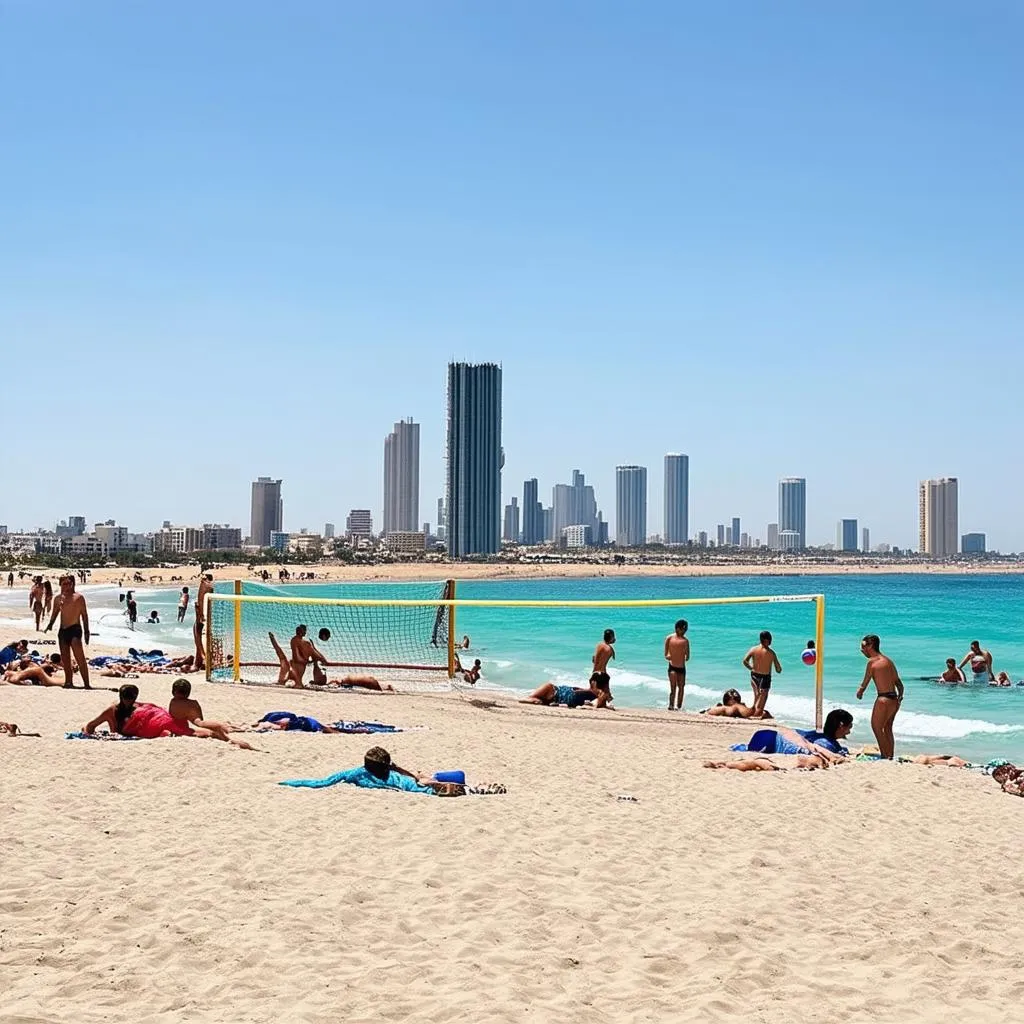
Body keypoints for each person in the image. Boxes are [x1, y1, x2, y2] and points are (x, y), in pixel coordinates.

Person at [167, 679, 254, 748]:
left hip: (175, 727)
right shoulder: (192, 703)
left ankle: (226, 727)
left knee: (209, 729)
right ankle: (226, 727)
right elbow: (199, 720)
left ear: (173, 691)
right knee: (203, 725)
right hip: (183, 728)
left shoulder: (172, 702)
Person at [856, 634, 903, 760]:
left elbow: (865, 681)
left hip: (883, 699)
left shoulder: (872, 662)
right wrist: (900, 697)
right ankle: (890, 755)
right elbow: (899, 683)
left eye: (863, 647)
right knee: (887, 728)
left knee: (876, 727)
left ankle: (884, 755)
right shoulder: (888, 661)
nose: (862, 650)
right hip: (894, 699)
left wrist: (860, 692)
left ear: (870, 646)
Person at [44, 574, 91, 689]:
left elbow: (84, 615)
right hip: (63, 630)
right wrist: (50, 624)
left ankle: (86, 684)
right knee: (65, 658)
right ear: (60, 584)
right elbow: (55, 613)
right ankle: (68, 682)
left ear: (72, 584)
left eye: (69, 583)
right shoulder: (58, 598)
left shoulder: (78, 598)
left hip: (75, 629)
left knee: (80, 657)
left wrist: (86, 631)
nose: (67, 586)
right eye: (64, 583)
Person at [743, 630, 781, 718]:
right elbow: (778, 669)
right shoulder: (771, 653)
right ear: (769, 640)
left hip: (754, 675)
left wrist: (751, 668)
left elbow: (745, 661)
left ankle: (752, 712)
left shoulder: (753, 649)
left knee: (757, 696)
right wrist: (778, 669)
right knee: (763, 697)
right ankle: (757, 715)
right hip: (765, 677)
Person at [664, 619, 690, 711]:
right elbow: (666, 654)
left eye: (685, 630)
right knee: (673, 687)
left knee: (681, 687)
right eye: (683, 630)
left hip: (681, 667)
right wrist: (669, 656)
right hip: (672, 666)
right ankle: (671, 705)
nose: (684, 632)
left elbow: (687, 656)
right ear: (677, 628)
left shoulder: (685, 641)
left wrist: (683, 655)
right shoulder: (669, 638)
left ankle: (679, 706)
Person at [701, 688, 773, 719]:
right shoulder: (735, 707)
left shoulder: (722, 707)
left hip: (714, 710)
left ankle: (758, 697)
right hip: (737, 709)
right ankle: (758, 697)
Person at [193, 574, 214, 670]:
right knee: (199, 633)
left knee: (199, 633)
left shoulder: (205, 586)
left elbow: (200, 601)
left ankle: (203, 658)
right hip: (203, 614)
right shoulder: (206, 586)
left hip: (203, 614)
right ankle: (203, 658)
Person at [591, 629, 615, 693]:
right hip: (602, 674)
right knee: (605, 695)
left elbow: (593, 659)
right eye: (613, 637)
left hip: (594, 673)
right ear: (611, 637)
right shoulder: (610, 649)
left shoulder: (599, 645)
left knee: (594, 693)